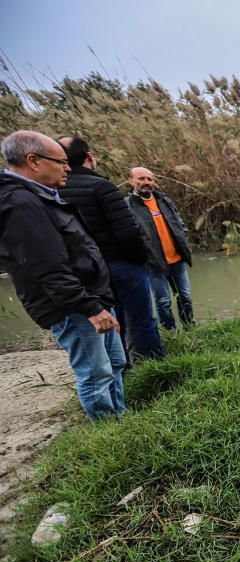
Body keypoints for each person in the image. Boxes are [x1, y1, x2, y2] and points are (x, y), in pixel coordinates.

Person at [0, 130, 126, 419]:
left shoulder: (41, 196)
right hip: (73, 306)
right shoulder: (20, 204)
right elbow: (47, 267)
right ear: (33, 161)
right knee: (96, 373)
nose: (68, 167)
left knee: (115, 363)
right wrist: (90, 308)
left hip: (90, 298)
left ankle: (121, 420)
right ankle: (109, 435)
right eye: (61, 161)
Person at [58, 136, 164, 360]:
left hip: (85, 272)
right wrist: (140, 260)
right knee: (143, 320)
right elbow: (128, 232)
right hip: (121, 265)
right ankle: (157, 370)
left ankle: (122, 370)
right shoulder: (101, 186)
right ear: (89, 156)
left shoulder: (52, 192)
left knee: (113, 323)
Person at [126, 167, 194, 329]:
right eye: (141, 179)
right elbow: (131, 235)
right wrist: (144, 255)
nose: (146, 182)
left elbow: (180, 224)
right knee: (163, 302)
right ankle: (171, 332)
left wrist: (184, 239)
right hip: (154, 264)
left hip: (177, 259)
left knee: (185, 297)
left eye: (150, 179)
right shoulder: (128, 206)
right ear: (131, 181)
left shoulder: (164, 200)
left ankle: (190, 328)